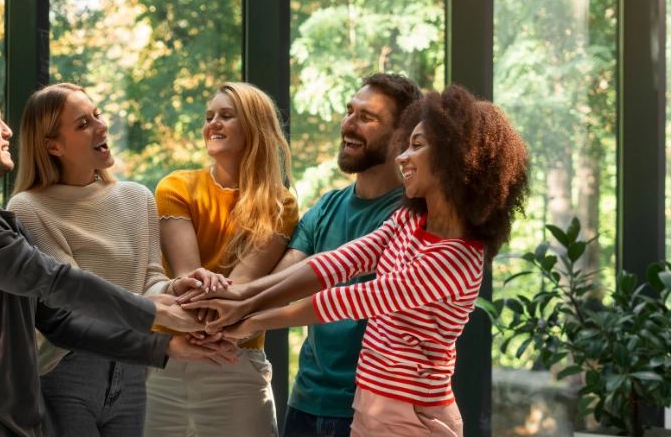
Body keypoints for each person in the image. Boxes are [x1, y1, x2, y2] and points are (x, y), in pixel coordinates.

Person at [184, 85, 530, 437]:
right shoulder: (410, 221)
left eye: (418, 145)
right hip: (370, 409)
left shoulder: (455, 257)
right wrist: (242, 299)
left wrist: (247, 321)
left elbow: (355, 298)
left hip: (413, 421)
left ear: (455, 156)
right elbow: (340, 262)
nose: (403, 156)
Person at [0, 83, 223, 437]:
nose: (7, 130)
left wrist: (166, 345)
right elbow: (58, 281)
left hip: (12, 423)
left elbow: (60, 322)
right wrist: (155, 312)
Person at [181, 73, 423, 437]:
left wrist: (246, 315)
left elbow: (350, 297)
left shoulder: (413, 217)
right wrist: (230, 305)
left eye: (367, 117)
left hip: (374, 409)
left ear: (402, 137)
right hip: (307, 402)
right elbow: (288, 277)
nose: (348, 124)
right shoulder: (327, 207)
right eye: (348, 111)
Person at [5, 83, 237, 437]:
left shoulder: (136, 198)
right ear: (53, 145)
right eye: (83, 124)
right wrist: (157, 308)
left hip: (132, 371)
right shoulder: (27, 208)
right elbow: (75, 298)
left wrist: (177, 287)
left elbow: (148, 279)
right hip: (66, 370)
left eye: (97, 115)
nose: (102, 126)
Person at [144, 82, 300, 437]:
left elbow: (242, 289)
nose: (212, 123)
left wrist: (219, 309)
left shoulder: (280, 203)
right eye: (209, 116)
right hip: (168, 362)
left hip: (235, 360)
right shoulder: (176, 186)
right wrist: (212, 303)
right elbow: (189, 281)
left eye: (226, 116)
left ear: (254, 128)